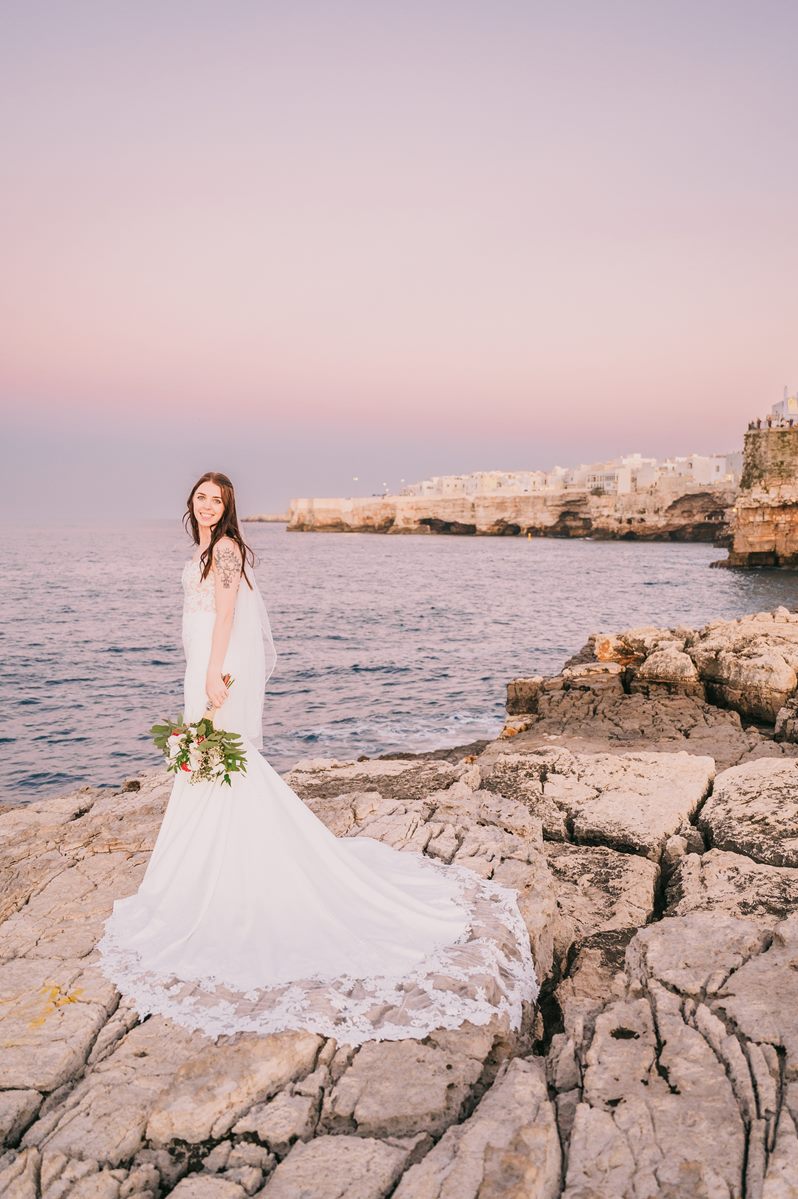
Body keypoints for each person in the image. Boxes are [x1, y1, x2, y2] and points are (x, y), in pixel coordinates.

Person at [96, 471, 537, 1044]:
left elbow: (227, 616)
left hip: (216, 665)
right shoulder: (203, 548)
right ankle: (211, 859)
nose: (207, 506)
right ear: (191, 503)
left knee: (224, 758)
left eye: (217, 499)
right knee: (213, 759)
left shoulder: (226, 549)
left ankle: (230, 864)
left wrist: (212, 673)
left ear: (228, 508)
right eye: (201, 498)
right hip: (199, 663)